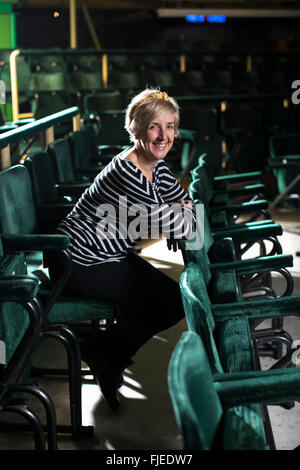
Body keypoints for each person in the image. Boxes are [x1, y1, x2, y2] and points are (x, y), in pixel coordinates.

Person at [49, 88, 196, 411]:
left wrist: (181, 210)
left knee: (172, 301)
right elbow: (181, 224)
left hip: (109, 255)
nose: (163, 136)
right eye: (154, 126)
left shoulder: (157, 167)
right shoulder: (126, 171)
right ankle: (102, 353)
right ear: (136, 130)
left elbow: (189, 212)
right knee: (166, 301)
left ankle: (103, 354)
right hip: (78, 260)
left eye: (169, 126)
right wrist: (179, 211)